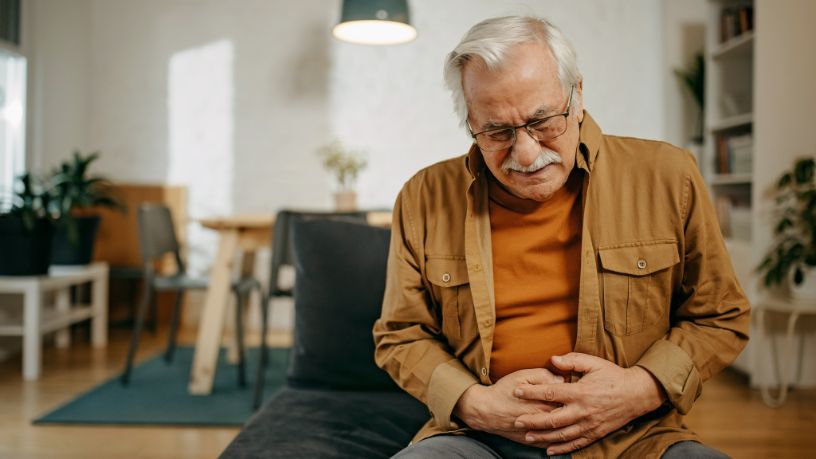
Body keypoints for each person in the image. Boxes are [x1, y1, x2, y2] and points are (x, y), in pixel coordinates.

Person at [372, 15, 750, 459]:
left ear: (578, 96)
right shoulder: (424, 197)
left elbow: (720, 316)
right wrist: (475, 404)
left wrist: (639, 389)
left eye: (543, 121)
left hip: (637, 437)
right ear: (471, 122)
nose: (527, 152)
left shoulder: (669, 176)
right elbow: (400, 334)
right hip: (477, 437)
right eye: (497, 131)